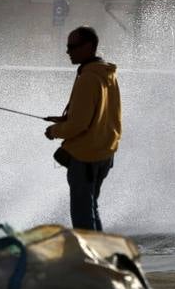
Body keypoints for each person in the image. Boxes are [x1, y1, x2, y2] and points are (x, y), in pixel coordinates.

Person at [44, 26, 121, 232]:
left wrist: (54, 131)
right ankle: (100, 255)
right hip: (104, 152)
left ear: (89, 47)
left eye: (72, 46)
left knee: (82, 214)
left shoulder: (88, 77)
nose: (68, 51)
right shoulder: (107, 74)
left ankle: (89, 257)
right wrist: (65, 119)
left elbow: (79, 126)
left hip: (86, 156)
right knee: (91, 207)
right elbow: (98, 113)